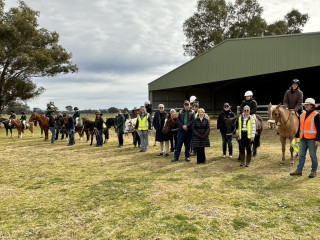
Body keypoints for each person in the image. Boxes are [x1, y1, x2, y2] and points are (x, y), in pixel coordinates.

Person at [290, 98, 320, 178]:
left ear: (312, 106)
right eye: (305, 105)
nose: (306, 106)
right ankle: (299, 170)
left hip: (312, 139)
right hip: (303, 138)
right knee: (301, 155)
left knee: (313, 155)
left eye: (308, 105)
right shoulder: (302, 115)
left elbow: (319, 128)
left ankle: (314, 171)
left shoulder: (316, 115)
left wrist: (317, 139)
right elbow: (300, 127)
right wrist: (296, 136)